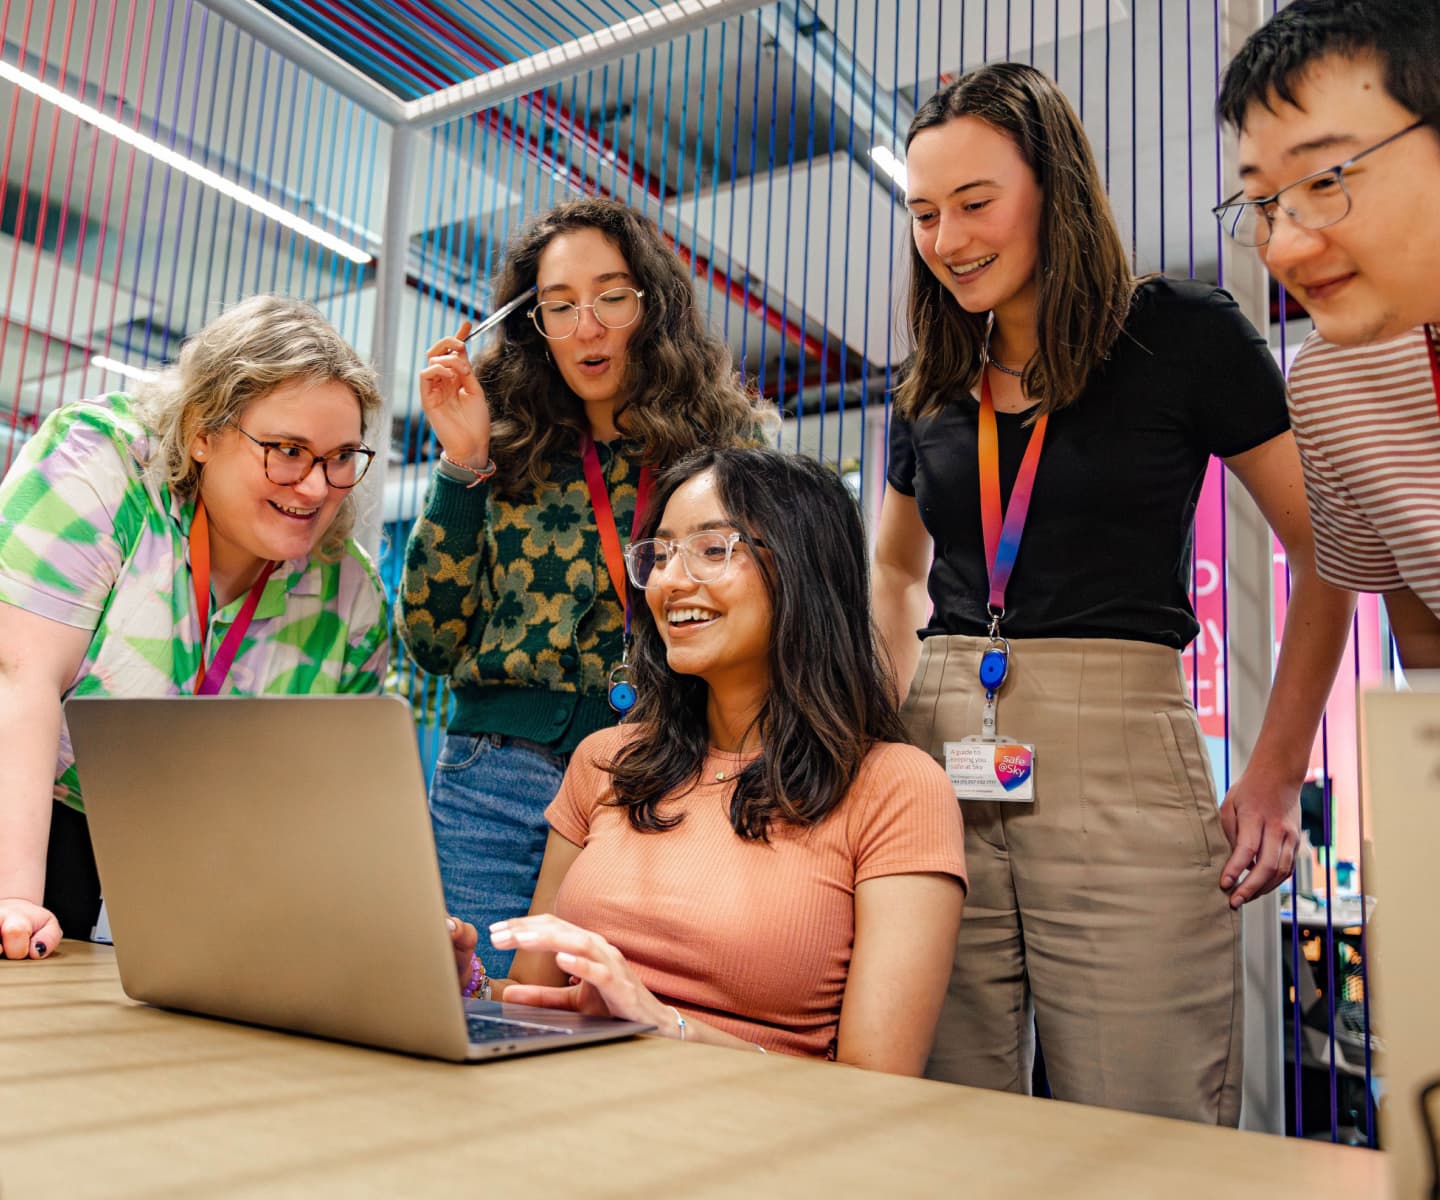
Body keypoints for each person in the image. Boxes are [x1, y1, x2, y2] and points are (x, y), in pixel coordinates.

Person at [870, 63, 1357, 1122]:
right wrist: (878, 727)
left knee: (1144, 1119)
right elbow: (896, 568)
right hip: (939, 751)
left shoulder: (1179, 336)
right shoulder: (930, 378)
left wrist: (1276, 776)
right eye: (923, 212)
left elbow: (1331, 553)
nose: (947, 240)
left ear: (1055, 189)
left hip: (1122, 761)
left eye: (975, 203)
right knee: (947, 1116)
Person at [443, 447, 967, 1070]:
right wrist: (466, 983)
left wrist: (664, 1025)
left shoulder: (896, 788)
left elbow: (878, 1081)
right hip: (568, 1110)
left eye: (712, 549)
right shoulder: (607, 761)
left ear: (804, 567)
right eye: (660, 555)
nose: (668, 581)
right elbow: (538, 1002)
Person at [400, 198, 772, 974]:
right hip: (494, 777)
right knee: (470, 1007)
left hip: (659, 771)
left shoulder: (724, 449)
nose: (587, 328)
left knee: (608, 1020)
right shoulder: (498, 442)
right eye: (558, 307)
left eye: (611, 297)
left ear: (653, 302)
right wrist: (463, 462)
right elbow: (432, 641)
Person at [0, 295, 390, 960]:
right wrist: (13, 897)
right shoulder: (100, 464)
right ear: (202, 432)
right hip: (31, 792)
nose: (316, 488)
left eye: (341, 457)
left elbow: (301, 807)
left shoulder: (350, 602)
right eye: (288, 450)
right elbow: (21, 679)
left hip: (187, 841)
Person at [1217, 0, 1440, 666]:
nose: (1282, 248)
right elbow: (1422, 632)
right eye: (1262, 203)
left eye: (1326, 179)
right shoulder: (1334, 378)